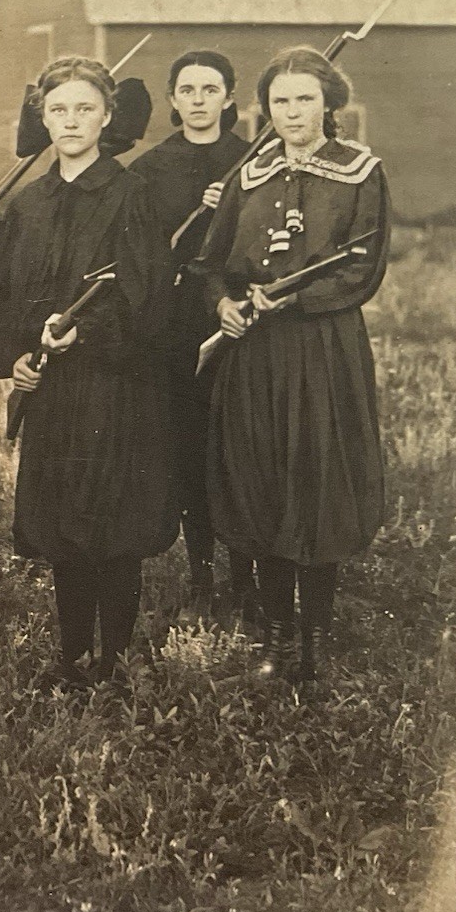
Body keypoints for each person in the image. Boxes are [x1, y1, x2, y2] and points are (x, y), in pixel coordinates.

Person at [0, 57, 178, 689]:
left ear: (107, 117)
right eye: (58, 109)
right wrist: (11, 354)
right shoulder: (29, 204)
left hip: (116, 386)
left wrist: (84, 332)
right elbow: (4, 297)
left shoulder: (132, 197)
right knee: (64, 524)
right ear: (42, 117)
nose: (71, 121)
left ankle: (115, 658)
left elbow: (145, 297)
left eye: (84, 109)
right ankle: (71, 658)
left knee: (112, 522)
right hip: (52, 391)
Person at [197, 47, 388, 684]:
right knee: (261, 479)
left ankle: (316, 638)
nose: (293, 111)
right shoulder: (247, 177)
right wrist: (224, 303)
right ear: (266, 109)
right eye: (281, 101)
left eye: (305, 98)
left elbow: (363, 267)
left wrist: (296, 300)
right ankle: (276, 635)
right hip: (254, 353)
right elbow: (212, 263)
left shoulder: (360, 171)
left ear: (329, 103)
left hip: (323, 349)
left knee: (317, 479)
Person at [129, 50, 256, 617]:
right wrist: (193, 218)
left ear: (230, 98)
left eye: (211, 89)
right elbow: (143, 255)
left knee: (242, 447)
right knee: (192, 446)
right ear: (174, 99)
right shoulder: (151, 168)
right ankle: (204, 575)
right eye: (188, 89)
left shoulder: (251, 158)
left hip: (242, 319)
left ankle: (249, 574)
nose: (199, 100)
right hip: (180, 326)